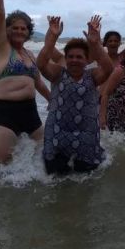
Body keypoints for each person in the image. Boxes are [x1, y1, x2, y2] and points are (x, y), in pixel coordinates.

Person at [0, 0, 51, 163]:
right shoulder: (1, 48)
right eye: (15, 27)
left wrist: (54, 100)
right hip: (4, 113)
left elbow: (38, 82)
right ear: (6, 30)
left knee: (44, 161)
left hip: (30, 112)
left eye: (24, 28)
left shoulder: (29, 54)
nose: (20, 31)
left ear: (28, 31)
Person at [36, 16, 113, 174]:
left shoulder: (92, 76)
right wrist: (52, 37)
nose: (74, 60)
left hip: (86, 133)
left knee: (86, 177)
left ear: (86, 60)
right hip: (57, 132)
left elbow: (108, 68)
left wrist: (95, 43)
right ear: (65, 58)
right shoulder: (58, 74)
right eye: (70, 56)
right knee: (55, 176)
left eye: (79, 57)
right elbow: (41, 64)